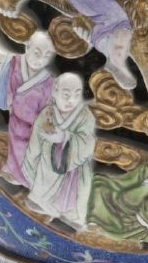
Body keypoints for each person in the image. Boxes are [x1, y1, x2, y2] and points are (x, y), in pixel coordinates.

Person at [0, 11, 55, 185]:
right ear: (28, 48)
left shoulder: (48, 81)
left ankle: (32, 180)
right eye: (37, 53)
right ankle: (15, 173)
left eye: (46, 56)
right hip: (16, 121)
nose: (40, 60)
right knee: (16, 152)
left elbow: (50, 108)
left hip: (34, 127)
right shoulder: (15, 64)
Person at [23, 73, 96, 229]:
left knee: (73, 196)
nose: (71, 100)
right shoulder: (47, 114)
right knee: (42, 184)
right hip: (46, 164)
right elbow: (35, 143)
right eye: (66, 94)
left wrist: (64, 137)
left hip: (74, 169)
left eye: (77, 94)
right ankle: (41, 200)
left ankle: (70, 215)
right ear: (55, 92)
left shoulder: (85, 116)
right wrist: (30, 164)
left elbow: (88, 142)